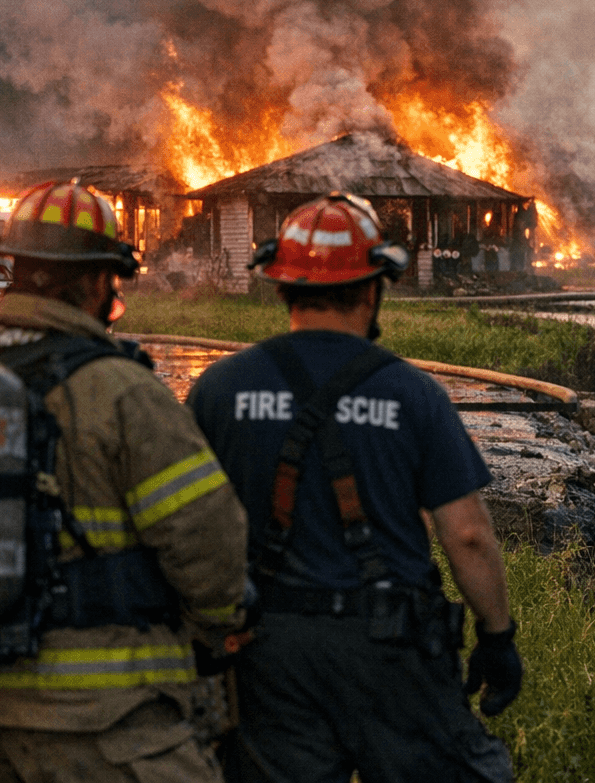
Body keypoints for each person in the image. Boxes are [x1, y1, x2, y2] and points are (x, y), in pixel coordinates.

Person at [0, 179, 249, 782]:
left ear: (13, 270)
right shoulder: (126, 394)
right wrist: (211, 631)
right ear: (99, 282)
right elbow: (211, 549)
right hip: (110, 731)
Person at [186, 192, 520, 783]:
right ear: (372, 291)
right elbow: (467, 535)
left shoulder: (219, 389)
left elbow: (185, 527)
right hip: (391, 644)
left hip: (267, 653)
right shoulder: (413, 394)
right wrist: (497, 637)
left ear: (282, 289)